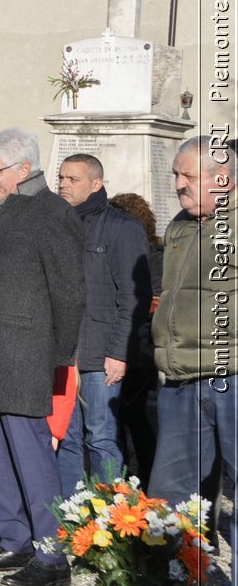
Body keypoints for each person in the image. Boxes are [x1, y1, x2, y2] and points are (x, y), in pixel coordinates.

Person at [0, 127, 84, 586]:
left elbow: (68, 291)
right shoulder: (5, 207)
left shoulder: (51, 212)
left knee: (31, 456)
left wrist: (59, 357)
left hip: (25, 355)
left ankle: (52, 553)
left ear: (24, 169)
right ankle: (15, 540)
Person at [149, 137, 235, 552]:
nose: (178, 184)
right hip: (181, 377)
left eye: (188, 175)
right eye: (175, 175)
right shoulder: (180, 225)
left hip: (231, 375)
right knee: (169, 494)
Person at [53, 152, 151, 492]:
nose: (64, 184)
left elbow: (134, 297)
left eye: (72, 179)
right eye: (61, 178)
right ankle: (69, 515)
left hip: (100, 353)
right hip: (62, 351)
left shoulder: (123, 229)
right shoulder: (57, 223)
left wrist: (120, 353)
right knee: (65, 435)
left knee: (101, 436)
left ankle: (109, 519)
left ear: (96, 184)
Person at [108, 191, 163, 475]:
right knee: (125, 414)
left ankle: (143, 474)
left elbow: (154, 301)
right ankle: (129, 474)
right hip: (127, 342)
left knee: (131, 413)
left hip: (140, 348)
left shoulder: (153, 257)